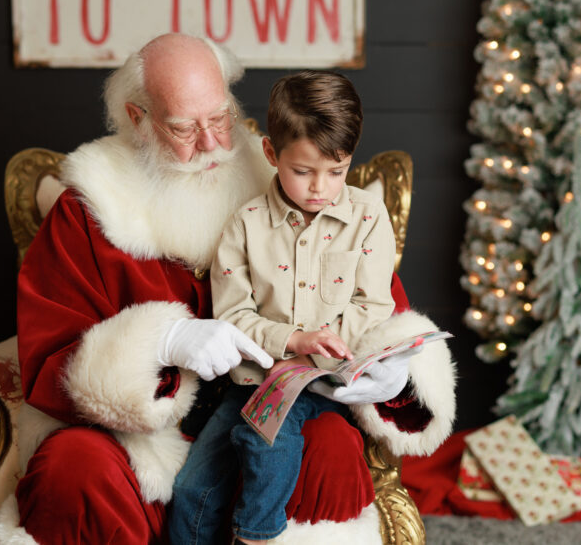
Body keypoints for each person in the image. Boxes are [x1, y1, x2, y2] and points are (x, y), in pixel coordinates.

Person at [5, 33, 456, 545]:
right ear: (138, 118)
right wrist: (160, 342)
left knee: (328, 442)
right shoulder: (87, 209)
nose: (211, 143)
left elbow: (377, 304)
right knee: (73, 466)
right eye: (182, 127)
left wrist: (394, 370)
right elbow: (48, 353)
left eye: (219, 118)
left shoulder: (290, 178)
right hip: (141, 439)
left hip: (275, 400)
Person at [169, 71, 422, 545]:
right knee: (191, 490)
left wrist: (312, 354)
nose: (320, 187)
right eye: (303, 171)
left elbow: (373, 303)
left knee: (268, 444)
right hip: (254, 382)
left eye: (337, 170)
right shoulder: (244, 225)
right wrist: (290, 340)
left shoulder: (368, 217)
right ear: (271, 154)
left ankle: (256, 537)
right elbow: (230, 315)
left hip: (324, 383)